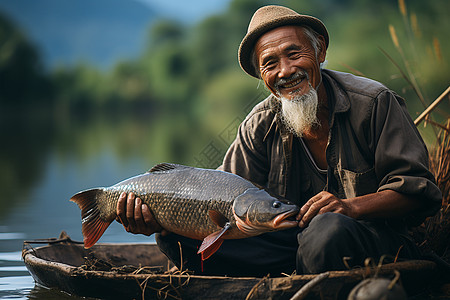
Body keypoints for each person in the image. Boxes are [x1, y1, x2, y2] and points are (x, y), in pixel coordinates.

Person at [116, 5, 442, 276]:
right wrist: (157, 217)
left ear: (320, 51)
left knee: (328, 230)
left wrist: (350, 208)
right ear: (262, 76)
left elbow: (420, 193)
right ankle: (292, 276)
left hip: (367, 244)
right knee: (176, 239)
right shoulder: (260, 123)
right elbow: (220, 195)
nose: (285, 71)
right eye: (270, 64)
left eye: (294, 54)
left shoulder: (374, 104)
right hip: (289, 246)